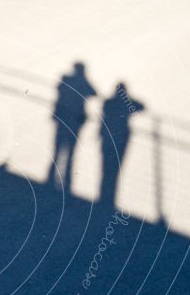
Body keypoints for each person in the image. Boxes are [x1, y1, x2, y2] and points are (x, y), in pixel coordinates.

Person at [48, 62, 96, 191]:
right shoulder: (80, 82)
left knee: (58, 151)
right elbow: (94, 93)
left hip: (64, 120)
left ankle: (51, 179)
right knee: (69, 153)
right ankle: (65, 183)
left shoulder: (67, 78)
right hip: (73, 122)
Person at [100, 82, 144, 213]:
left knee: (105, 169)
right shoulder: (126, 104)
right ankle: (109, 200)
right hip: (121, 140)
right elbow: (141, 106)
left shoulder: (108, 102)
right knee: (115, 169)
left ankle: (103, 198)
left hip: (107, 139)